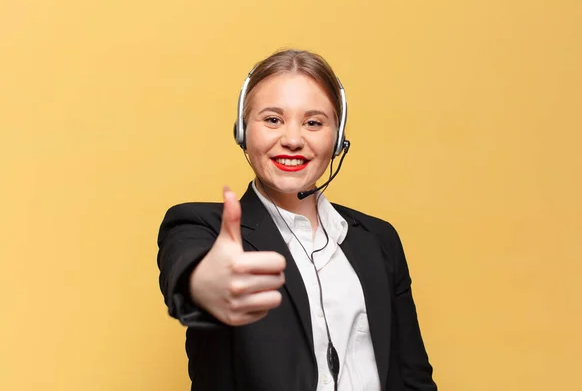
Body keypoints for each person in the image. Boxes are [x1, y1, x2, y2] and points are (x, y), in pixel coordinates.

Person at [157, 49, 437, 391]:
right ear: (243, 131)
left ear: (337, 137)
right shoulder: (199, 226)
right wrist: (205, 283)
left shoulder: (379, 240)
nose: (292, 140)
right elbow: (186, 272)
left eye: (314, 123)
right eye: (273, 119)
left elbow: (412, 377)